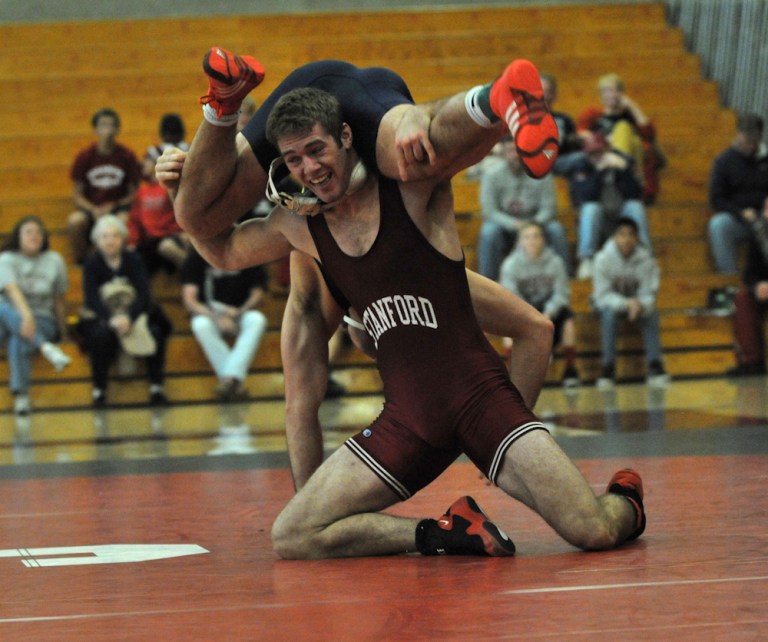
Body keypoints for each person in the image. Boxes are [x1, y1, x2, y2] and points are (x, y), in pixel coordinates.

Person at [184, 83, 646, 560]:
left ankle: (627, 501)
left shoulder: (411, 187)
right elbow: (219, 247)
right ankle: (442, 532)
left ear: (347, 136)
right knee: (293, 535)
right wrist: (184, 188)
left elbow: (456, 143)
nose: (310, 169)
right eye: (294, 159)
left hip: (483, 403)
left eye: (317, 150)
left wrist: (481, 108)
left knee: (593, 530)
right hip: (407, 424)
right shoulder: (300, 228)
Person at [77, 215, 171, 407]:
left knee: (155, 332)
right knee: (99, 336)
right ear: (97, 240)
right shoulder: (92, 262)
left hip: (133, 313)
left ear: (122, 238)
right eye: (105, 236)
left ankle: (156, 387)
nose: (110, 241)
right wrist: (112, 319)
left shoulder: (133, 259)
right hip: (104, 316)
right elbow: (91, 299)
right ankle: (99, 390)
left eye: (114, 236)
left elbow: (144, 294)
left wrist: (129, 318)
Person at [555, 132, 653, 280]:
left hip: (621, 219)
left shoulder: (625, 161)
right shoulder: (581, 167)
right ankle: (587, 259)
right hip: (598, 223)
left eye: (599, 152)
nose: (596, 157)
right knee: (591, 208)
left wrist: (624, 170)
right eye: (592, 154)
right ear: (586, 154)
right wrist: (599, 172)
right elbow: (585, 197)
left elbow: (636, 194)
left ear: (608, 149)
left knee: (635, 206)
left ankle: (645, 255)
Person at [0, 216, 71, 415]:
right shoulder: (6, 259)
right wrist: (26, 317)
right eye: (29, 232)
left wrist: (64, 334)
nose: (34, 236)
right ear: (18, 236)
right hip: (8, 317)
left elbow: (58, 300)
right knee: (2, 308)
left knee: (19, 337)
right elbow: (11, 290)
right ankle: (44, 346)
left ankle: (21, 396)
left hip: (42, 319)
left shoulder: (54, 260)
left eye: (39, 232)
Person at [180, 244, 268, 401]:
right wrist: (217, 317)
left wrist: (239, 312)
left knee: (257, 319)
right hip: (209, 314)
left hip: (240, 311)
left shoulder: (248, 252)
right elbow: (190, 301)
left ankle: (228, 380)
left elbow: (258, 294)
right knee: (200, 325)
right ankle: (234, 381)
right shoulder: (196, 257)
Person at [592, 216, 669, 390]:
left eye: (630, 235)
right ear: (614, 237)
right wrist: (627, 304)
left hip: (637, 306)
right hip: (611, 305)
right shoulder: (602, 259)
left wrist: (640, 305)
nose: (626, 239)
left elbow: (649, 292)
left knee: (651, 313)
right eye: (621, 234)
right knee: (609, 314)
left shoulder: (646, 259)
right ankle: (608, 368)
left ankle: (655, 365)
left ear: (637, 238)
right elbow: (602, 295)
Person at [499, 222, 580, 387]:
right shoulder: (510, 265)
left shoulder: (555, 262)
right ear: (520, 242)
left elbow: (562, 294)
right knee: (506, 328)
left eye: (536, 236)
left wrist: (548, 312)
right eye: (527, 237)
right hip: (524, 312)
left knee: (569, 321)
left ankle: (570, 371)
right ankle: (511, 375)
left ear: (543, 240)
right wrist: (532, 316)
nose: (532, 240)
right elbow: (511, 297)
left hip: (549, 312)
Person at [477, 135, 568, 280]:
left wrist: (532, 225)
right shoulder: (491, 175)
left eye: (518, 150)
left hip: (535, 223)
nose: (515, 155)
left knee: (556, 229)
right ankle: (488, 281)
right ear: (503, 153)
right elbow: (490, 211)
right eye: (510, 151)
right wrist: (514, 224)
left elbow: (549, 208)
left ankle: (565, 277)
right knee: (489, 232)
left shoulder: (541, 172)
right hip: (505, 226)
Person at [67, 107, 141, 264]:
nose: (107, 130)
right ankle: (82, 262)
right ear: (96, 129)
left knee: (125, 221)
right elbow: (77, 194)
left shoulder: (127, 156)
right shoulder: (85, 156)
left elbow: (133, 192)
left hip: (117, 207)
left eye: (111, 125)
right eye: (103, 125)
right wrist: (92, 209)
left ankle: (122, 262)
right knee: (75, 221)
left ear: (117, 129)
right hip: (91, 209)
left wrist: (115, 205)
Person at [577, 73, 663, 204]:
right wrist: (605, 141)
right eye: (607, 90)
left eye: (616, 90)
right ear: (601, 95)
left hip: (631, 156)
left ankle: (621, 172)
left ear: (622, 93)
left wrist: (631, 105)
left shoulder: (629, 115)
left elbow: (649, 133)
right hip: (604, 155)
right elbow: (581, 132)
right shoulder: (594, 115)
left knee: (623, 127)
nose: (612, 94)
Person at [708, 113, 768, 275]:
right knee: (718, 225)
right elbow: (717, 199)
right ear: (738, 134)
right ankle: (730, 279)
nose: (750, 145)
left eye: (754, 141)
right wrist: (740, 212)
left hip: (765, 217)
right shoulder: (724, 161)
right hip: (740, 218)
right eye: (747, 140)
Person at [726, 200, 768, 376]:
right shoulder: (758, 233)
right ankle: (751, 361)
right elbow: (749, 274)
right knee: (743, 298)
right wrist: (755, 287)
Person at [540, 73, 582, 156]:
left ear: (554, 95)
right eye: (540, 91)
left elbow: (573, 145)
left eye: (548, 92)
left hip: (560, 159)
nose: (544, 96)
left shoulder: (564, 119)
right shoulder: (522, 119)